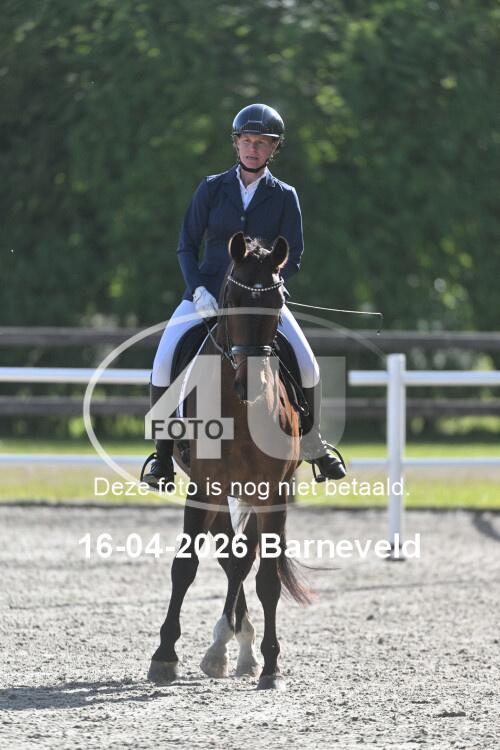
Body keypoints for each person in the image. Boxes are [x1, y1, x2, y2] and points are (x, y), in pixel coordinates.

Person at [142, 103, 346, 488]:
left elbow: (294, 256)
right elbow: (186, 245)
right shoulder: (211, 188)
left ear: (274, 148)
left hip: (260, 300)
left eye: (262, 142)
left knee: (308, 365)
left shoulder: (284, 196)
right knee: (163, 362)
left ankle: (314, 444)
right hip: (204, 293)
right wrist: (198, 290)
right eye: (247, 140)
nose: (253, 148)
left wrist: (271, 287)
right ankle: (163, 456)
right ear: (236, 143)